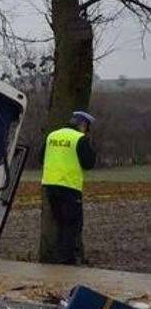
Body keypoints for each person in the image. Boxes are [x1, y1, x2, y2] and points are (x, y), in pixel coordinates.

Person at [40, 111, 96, 265]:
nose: (87, 131)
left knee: (60, 222)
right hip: (69, 186)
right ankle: (67, 259)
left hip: (50, 185)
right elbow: (88, 163)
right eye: (87, 127)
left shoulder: (52, 135)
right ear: (82, 125)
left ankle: (59, 255)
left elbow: (40, 158)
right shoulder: (79, 138)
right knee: (72, 224)